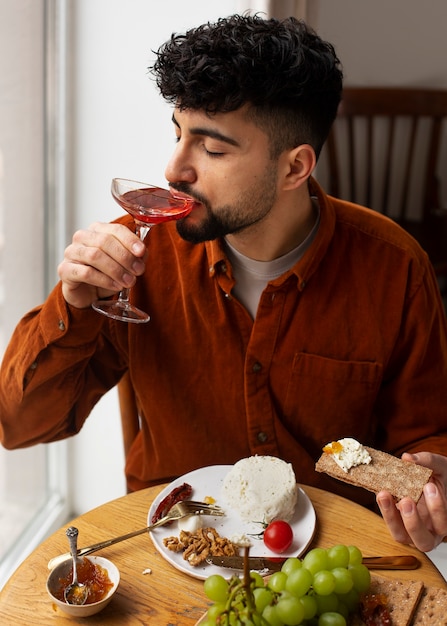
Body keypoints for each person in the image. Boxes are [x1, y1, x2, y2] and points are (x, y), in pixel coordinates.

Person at [1, 14, 446, 553]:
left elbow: (423, 436)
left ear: (294, 168)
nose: (173, 168)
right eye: (177, 133)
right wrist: (73, 304)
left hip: (332, 557)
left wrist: (430, 479)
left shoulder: (394, 267)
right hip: (175, 548)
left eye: (212, 150)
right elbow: (18, 426)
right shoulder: (137, 259)